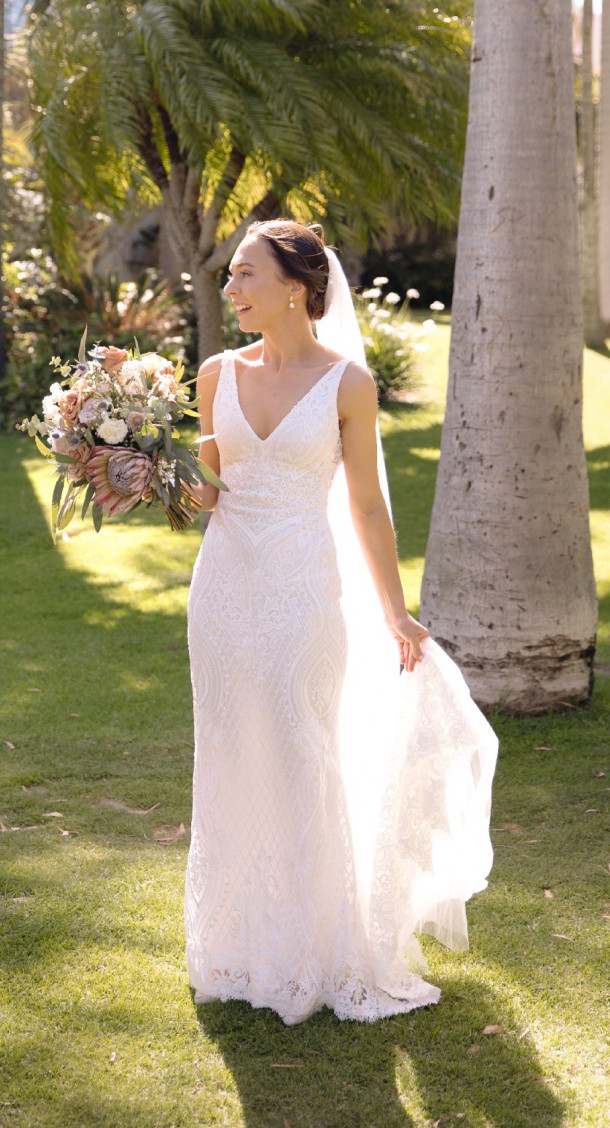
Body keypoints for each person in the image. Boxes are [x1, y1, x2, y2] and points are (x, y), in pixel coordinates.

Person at [185, 219, 497, 1026]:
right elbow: (206, 494)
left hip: (302, 591)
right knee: (231, 749)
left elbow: (367, 507)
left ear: (295, 287)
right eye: (231, 275)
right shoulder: (216, 373)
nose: (230, 288)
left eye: (245, 274)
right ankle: (237, 943)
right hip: (221, 590)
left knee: (301, 752)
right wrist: (140, 464)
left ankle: (316, 949)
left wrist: (395, 611)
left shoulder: (347, 383)